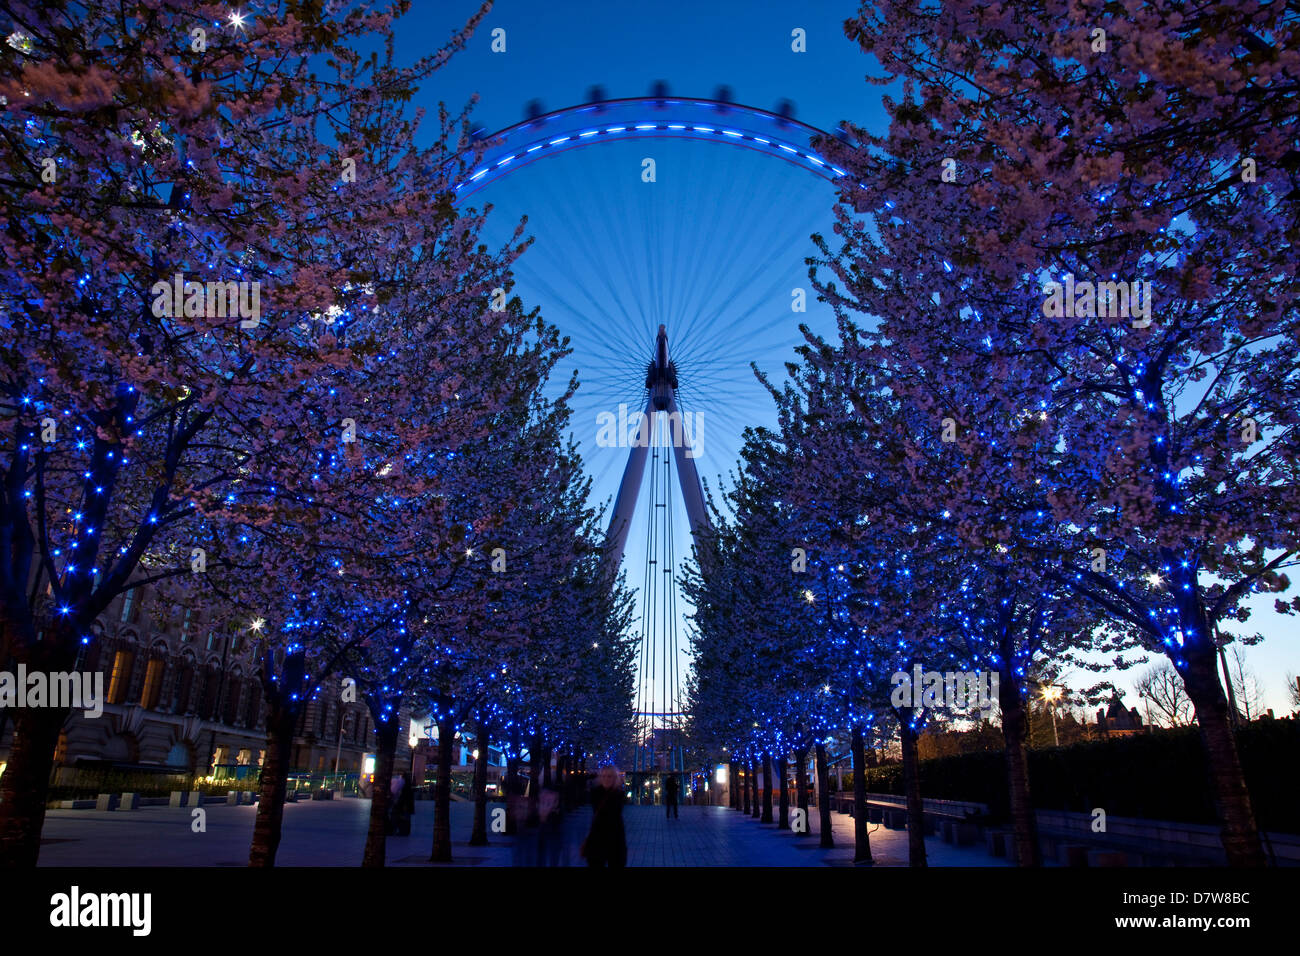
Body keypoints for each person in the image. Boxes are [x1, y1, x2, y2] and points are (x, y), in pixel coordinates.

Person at [582, 766, 627, 868]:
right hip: (597, 838)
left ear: (615, 778)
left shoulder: (618, 794)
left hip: (615, 839)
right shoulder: (595, 793)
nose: (606, 779)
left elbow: (614, 815)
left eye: (609, 776)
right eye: (603, 776)